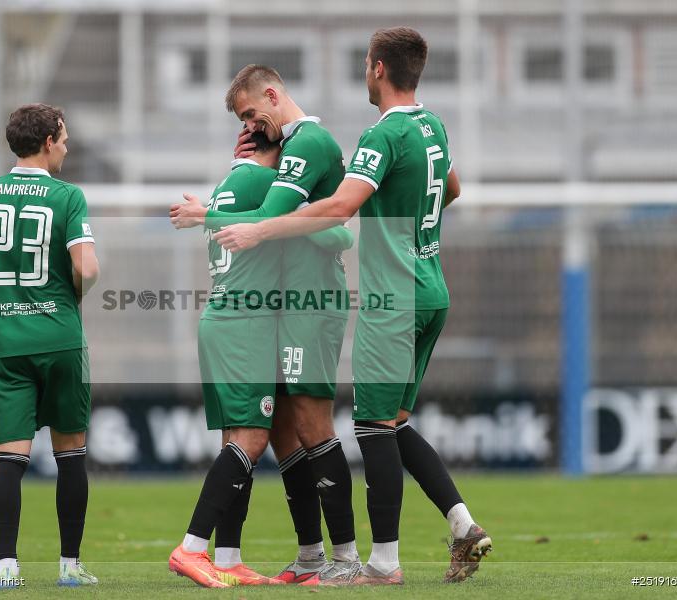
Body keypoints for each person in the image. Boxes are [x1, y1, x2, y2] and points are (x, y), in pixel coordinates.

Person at [213, 27, 492, 585]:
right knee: (396, 422)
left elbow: (339, 207)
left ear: (378, 69)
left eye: (366, 65)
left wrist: (261, 228)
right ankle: (462, 524)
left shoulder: (381, 135)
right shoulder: (431, 125)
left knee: (371, 428)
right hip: (433, 288)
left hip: (394, 297)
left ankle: (382, 565)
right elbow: (452, 189)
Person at [171, 65, 361, 584]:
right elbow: (309, 224)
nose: (250, 127)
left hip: (305, 307)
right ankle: (307, 557)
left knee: (303, 427)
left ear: (273, 97)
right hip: (267, 315)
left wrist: (209, 212)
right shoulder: (261, 172)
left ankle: (344, 558)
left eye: (252, 117)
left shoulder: (304, 147)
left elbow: (305, 224)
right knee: (278, 434)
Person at [0, 103, 100, 588]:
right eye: (63, 136)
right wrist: (60, 296)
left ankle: (7, 570)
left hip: (5, 341)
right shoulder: (68, 197)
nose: (66, 145)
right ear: (47, 141)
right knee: (71, 454)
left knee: (9, 458)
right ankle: (70, 567)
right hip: (59, 339)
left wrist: (8, 293)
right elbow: (87, 269)